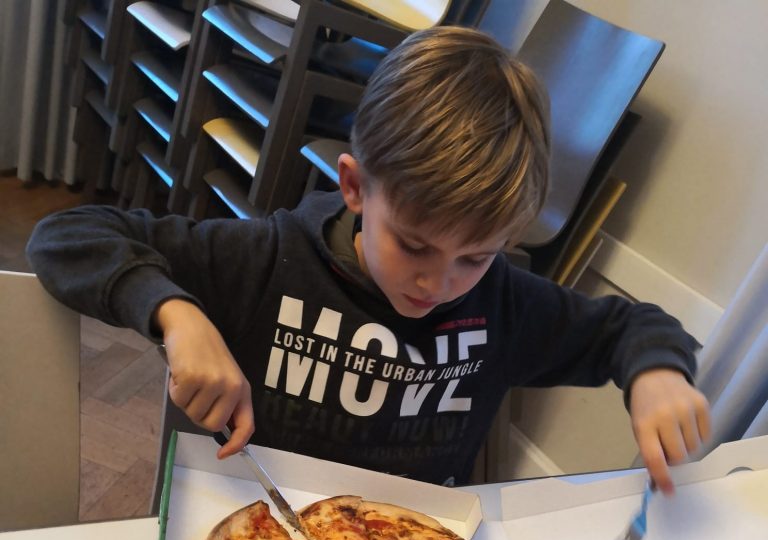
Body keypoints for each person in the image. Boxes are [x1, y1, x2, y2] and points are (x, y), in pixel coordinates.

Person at [27, 27, 710, 494]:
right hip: (250, 527)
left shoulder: (503, 304)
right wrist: (176, 314)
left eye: (475, 257)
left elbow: (631, 328)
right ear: (355, 187)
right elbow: (66, 235)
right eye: (413, 245)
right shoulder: (263, 260)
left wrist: (657, 374)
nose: (438, 283)